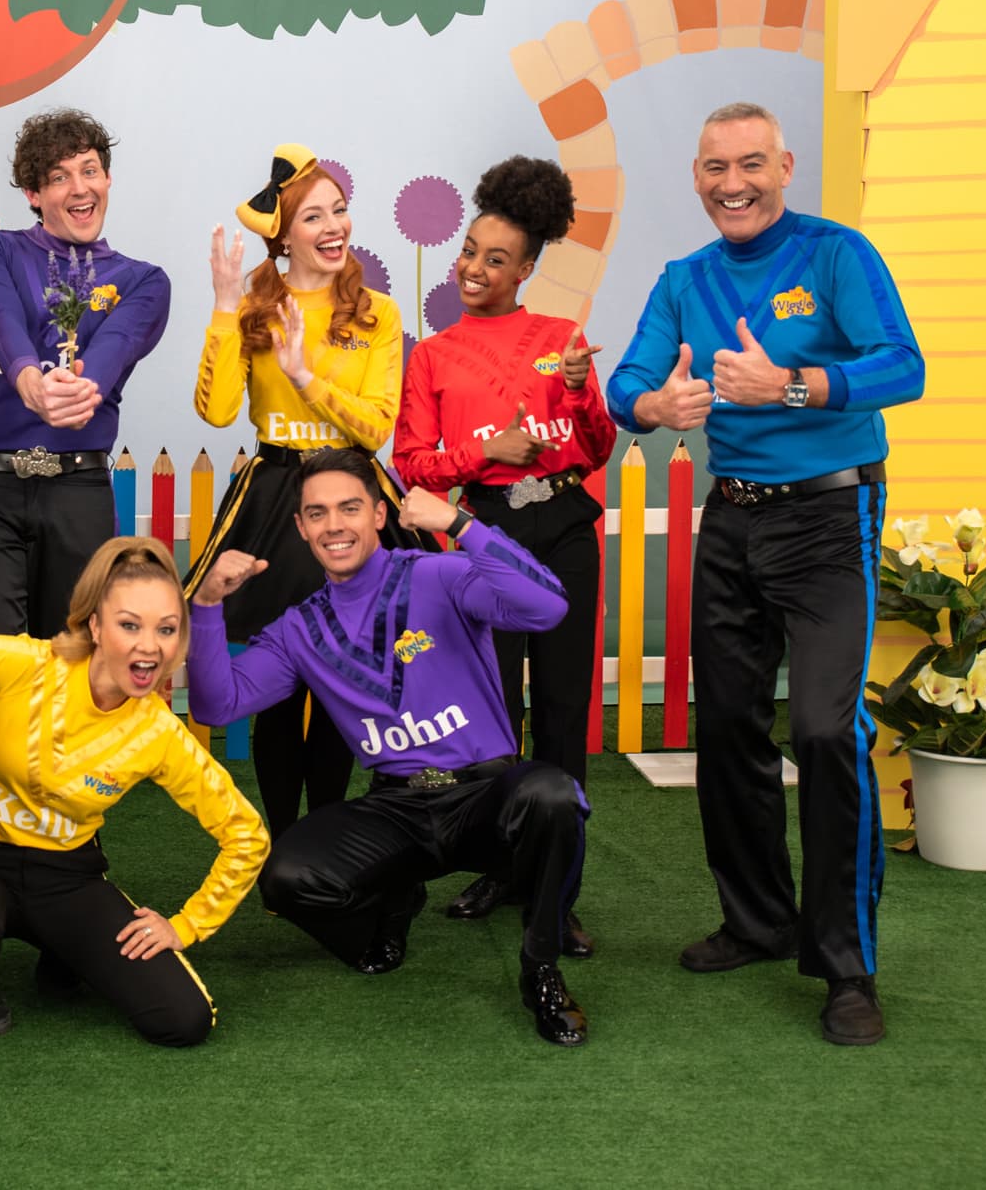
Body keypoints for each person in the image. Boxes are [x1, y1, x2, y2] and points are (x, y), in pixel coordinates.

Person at [605, 102, 924, 1047]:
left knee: (824, 730)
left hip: (829, 517)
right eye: (716, 167)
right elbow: (626, 384)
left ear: (784, 167)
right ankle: (757, 921)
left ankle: (846, 966)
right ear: (696, 176)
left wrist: (788, 384)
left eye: (751, 163)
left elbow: (903, 368)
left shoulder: (836, 254)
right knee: (730, 725)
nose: (733, 183)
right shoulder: (684, 279)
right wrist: (656, 404)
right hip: (732, 520)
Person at [189, 451, 591, 1047]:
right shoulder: (299, 627)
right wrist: (205, 606)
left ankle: (540, 970)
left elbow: (548, 605)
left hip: (485, 795)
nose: (334, 525)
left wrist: (460, 524)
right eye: (317, 513)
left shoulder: (439, 575)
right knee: (286, 877)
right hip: (398, 808)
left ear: (379, 514)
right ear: (301, 527)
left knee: (553, 795)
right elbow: (217, 705)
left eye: (349, 508)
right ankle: (393, 910)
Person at [0, 538, 267, 1046]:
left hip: (66, 877)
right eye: (130, 625)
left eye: (167, 629)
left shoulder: (160, 734)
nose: (150, 646)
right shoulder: (25, 663)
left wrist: (186, 925)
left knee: (182, 1020)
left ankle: (64, 951)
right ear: (95, 626)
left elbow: (247, 835)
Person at [394, 156, 615, 950]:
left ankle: (557, 889)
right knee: (493, 716)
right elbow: (412, 466)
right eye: (469, 252)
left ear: (526, 270)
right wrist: (486, 453)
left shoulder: (562, 342)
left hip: (563, 532)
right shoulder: (432, 355)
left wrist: (581, 389)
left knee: (562, 709)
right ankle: (504, 864)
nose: (474, 269)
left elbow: (596, 447)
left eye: (496, 259)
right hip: (483, 536)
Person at [186, 144, 425, 838]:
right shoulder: (253, 307)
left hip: (349, 493)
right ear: (283, 235)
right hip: (278, 501)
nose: (333, 226)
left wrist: (304, 377)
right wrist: (224, 308)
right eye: (314, 215)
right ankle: (285, 841)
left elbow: (375, 427)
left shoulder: (378, 312)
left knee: (344, 676)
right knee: (282, 683)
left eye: (339, 210)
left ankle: (328, 835)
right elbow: (216, 412)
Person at [0, 109, 170, 705]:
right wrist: (29, 380)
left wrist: (79, 389)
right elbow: (0, 325)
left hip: (77, 492)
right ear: (33, 192)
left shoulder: (144, 281)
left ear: (108, 179)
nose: (79, 188)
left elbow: (113, 350)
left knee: (74, 674)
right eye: (60, 176)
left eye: (89, 170)